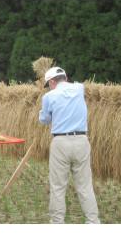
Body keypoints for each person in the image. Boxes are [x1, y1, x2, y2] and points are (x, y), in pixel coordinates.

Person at [39, 66, 100, 224]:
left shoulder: (49, 97)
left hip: (61, 143)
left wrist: (44, 111)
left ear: (52, 81)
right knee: (85, 186)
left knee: (58, 186)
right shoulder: (79, 88)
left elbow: (44, 120)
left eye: (49, 84)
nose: (49, 87)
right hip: (81, 141)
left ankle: (58, 223)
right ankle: (93, 222)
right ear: (65, 78)